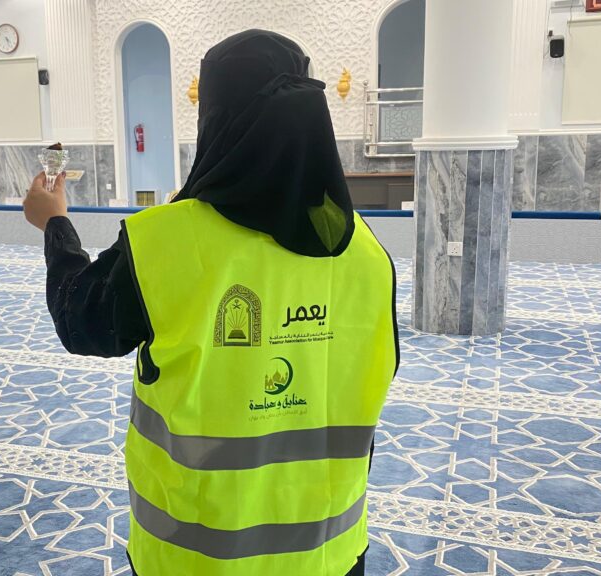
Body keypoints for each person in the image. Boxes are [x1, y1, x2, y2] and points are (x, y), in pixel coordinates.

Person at [24, 29, 399, 576]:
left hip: (194, 559)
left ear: (215, 120)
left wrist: (55, 223)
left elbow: (81, 321)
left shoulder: (165, 242)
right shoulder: (367, 254)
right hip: (329, 553)